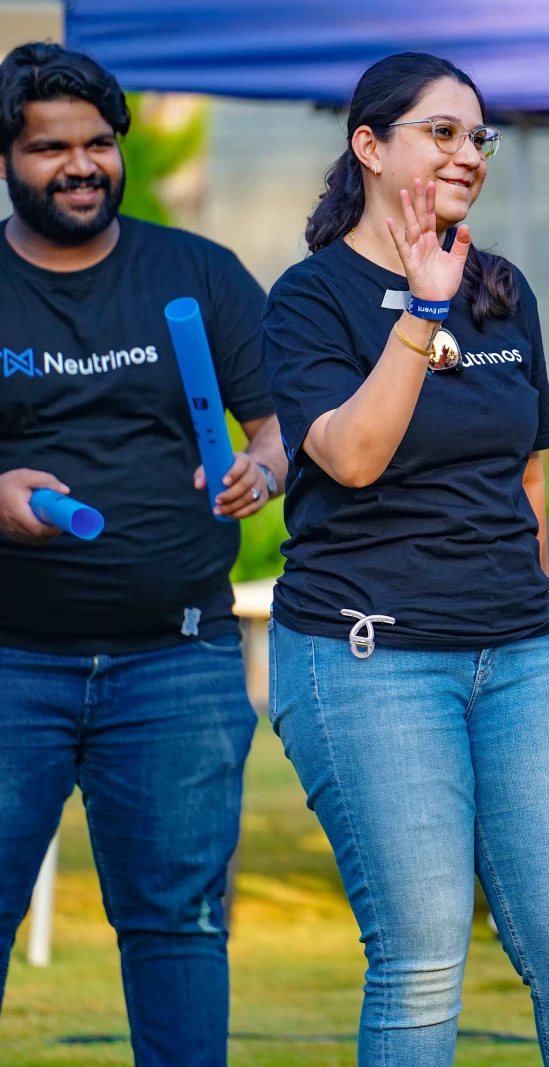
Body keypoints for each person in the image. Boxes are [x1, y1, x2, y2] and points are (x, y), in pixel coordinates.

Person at [258, 52, 549, 1066]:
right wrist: (422, 313)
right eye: (441, 131)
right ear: (369, 145)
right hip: (368, 656)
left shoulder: (505, 291)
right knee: (422, 957)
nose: (468, 152)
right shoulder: (311, 298)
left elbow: (524, 475)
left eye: (479, 137)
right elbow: (351, 455)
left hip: (515, 656)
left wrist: (533, 597)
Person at [0, 41, 287, 1064]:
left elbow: (275, 425)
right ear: (7, 160)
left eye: (97, 144)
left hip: (177, 663)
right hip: (10, 662)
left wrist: (263, 470)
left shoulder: (195, 272)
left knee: (178, 926)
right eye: (50, 148)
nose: (80, 164)